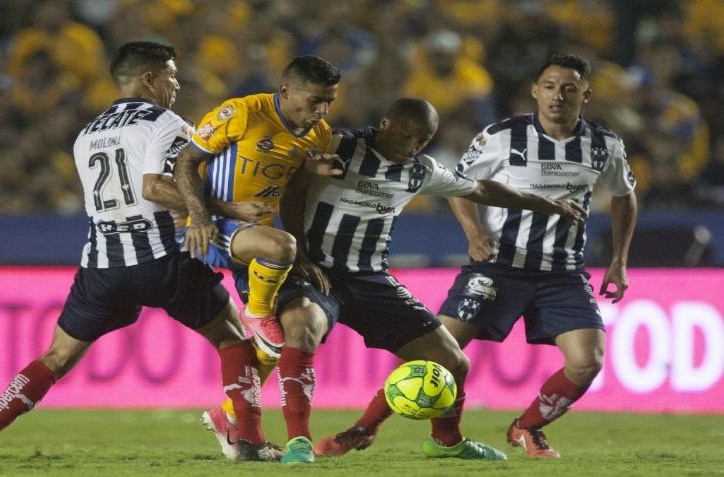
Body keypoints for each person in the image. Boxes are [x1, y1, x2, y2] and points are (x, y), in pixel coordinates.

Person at [0, 41, 276, 461]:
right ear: (149, 78)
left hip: (101, 265)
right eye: (172, 75)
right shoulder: (166, 123)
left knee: (56, 356)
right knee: (233, 338)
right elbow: (157, 188)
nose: (176, 84)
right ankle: (250, 442)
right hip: (160, 256)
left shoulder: (87, 133)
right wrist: (221, 210)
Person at [206, 97, 587, 464]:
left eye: (423, 139)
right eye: (407, 134)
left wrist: (547, 203)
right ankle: (298, 442)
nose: (414, 145)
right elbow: (294, 187)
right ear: (385, 124)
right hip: (315, 271)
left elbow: (481, 188)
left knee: (452, 361)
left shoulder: (421, 170)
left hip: (371, 278)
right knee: (301, 328)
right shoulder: (339, 146)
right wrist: (300, 253)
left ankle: (447, 441)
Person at [318, 54, 637, 459]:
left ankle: (527, 428)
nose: (559, 96)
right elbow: (461, 187)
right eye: (551, 86)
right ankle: (365, 427)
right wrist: (476, 233)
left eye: (569, 89)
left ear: (585, 96)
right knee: (440, 351)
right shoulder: (501, 136)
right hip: (499, 266)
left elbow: (625, 195)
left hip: (563, 272)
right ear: (535, 91)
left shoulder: (604, 145)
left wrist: (620, 258)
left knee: (587, 361)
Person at [174, 55, 341, 359]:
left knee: (279, 342)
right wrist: (199, 217)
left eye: (329, 101)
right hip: (211, 230)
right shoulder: (243, 113)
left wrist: (299, 253)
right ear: (286, 90)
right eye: (316, 101)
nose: (322, 111)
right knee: (279, 250)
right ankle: (256, 312)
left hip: (259, 244)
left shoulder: (320, 134)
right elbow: (186, 161)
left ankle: (230, 408)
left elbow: (295, 193)